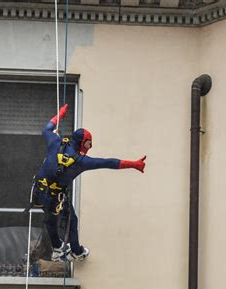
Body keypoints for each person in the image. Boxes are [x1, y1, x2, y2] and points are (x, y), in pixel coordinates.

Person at [28, 103, 146, 262]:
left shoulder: (55, 142)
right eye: (89, 143)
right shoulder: (81, 161)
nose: (90, 146)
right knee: (71, 218)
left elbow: (47, 128)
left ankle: (57, 248)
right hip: (55, 197)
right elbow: (108, 162)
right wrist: (134, 164)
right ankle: (75, 251)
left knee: (50, 217)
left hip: (38, 192)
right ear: (83, 143)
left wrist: (60, 115)